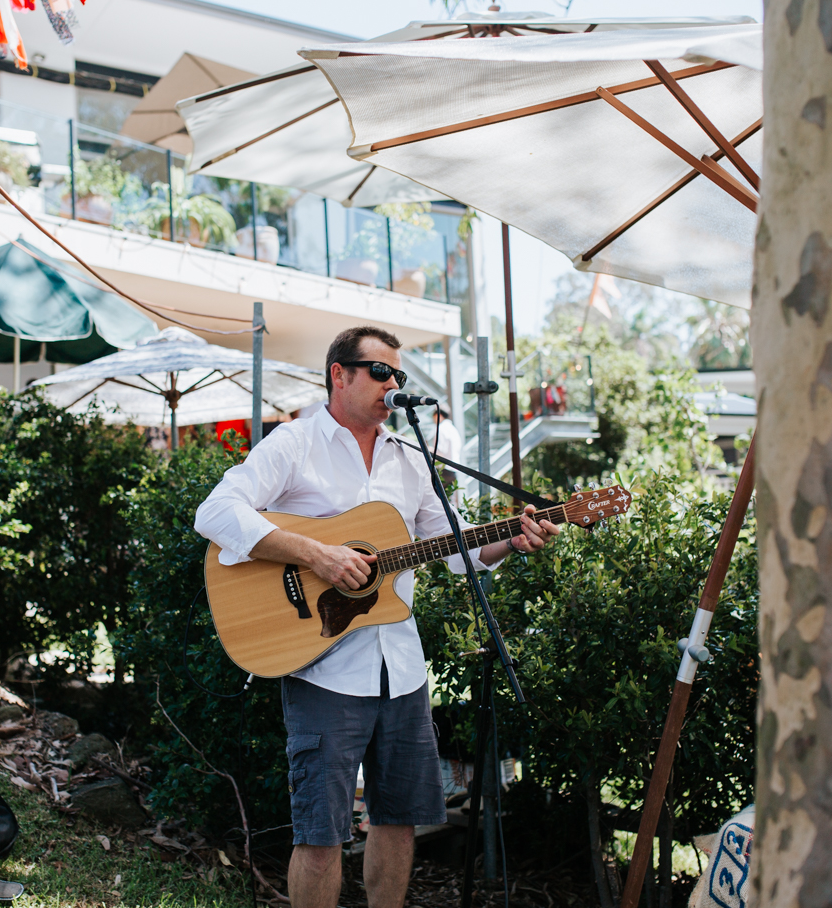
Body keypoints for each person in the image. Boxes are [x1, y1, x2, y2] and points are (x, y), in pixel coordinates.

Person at [194, 325, 559, 908]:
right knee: (320, 833)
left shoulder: (410, 456)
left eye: (398, 375)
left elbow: (454, 546)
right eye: (380, 372)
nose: (392, 385)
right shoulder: (295, 443)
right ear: (339, 374)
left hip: (402, 669)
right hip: (323, 667)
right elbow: (215, 511)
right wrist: (317, 554)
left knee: (400, 819)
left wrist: (510, 540)